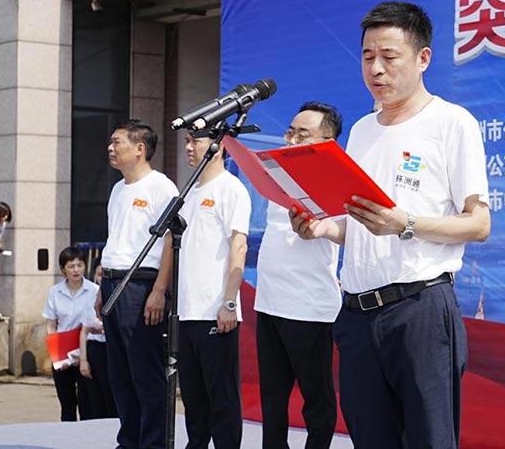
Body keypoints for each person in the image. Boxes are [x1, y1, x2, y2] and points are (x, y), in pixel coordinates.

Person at [291, 1, 491, 448]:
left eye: (389, 56)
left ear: (423, 58)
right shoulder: (362, 130)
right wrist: (323, 229)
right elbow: (363, 223)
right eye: (367, 56)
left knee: (429, 440)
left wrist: (407, 224)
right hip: (357, 316)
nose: (376, 69)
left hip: (418, 309)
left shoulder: (451, 123)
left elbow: (479, 224)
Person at [256, 101, 343, 449]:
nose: (291, 140)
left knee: (317, 400)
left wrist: (319, 229)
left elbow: (345, 232)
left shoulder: (335, 179)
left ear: (326, 142)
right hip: (269, 302)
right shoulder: (277, 175)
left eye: (302, 134)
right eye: (290, 132)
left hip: (309, 308)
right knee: (272, 400)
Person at [101, 119, 178, 449]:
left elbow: (171, 242)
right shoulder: (118, 189)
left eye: (117, 142)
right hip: (112, 283)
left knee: (145, 372)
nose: (110, 148)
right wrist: (100, 287)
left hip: (141, 286)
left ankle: (153, 443)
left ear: (140, 149)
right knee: (120, 374)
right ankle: (129, 441)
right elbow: (114, 239)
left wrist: (159, 291)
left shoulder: (162, 187)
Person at [176, 131, 251, 449]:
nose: (189, 147)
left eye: (196, 141)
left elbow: (239, 245)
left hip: (215, 311)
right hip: (186, 310)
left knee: (222, 398)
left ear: (218, 146)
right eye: (187, 141)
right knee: (193, 398)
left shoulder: (231, 189)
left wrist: (229, 303)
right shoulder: (190, 191)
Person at [43, 246, 98, 421]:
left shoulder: (94, 291)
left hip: (86, 353)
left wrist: (83, 356)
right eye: (71, 266)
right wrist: (57, 357)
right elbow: (51, 325)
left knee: (87, 404)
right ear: (63, 270)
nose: (76, 270)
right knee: (67, 405)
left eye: (79, 265)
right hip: (62, 353)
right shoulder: (55, 292)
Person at [78, 266, 117, 419]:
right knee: (95, 399)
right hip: (95, 350)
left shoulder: (120, 295)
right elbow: (84, 330)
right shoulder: (91, 295)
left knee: (112, 397)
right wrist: (83, 361)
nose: (101, 279)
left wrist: (104, 330)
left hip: (112, 348)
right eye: (99, 275)